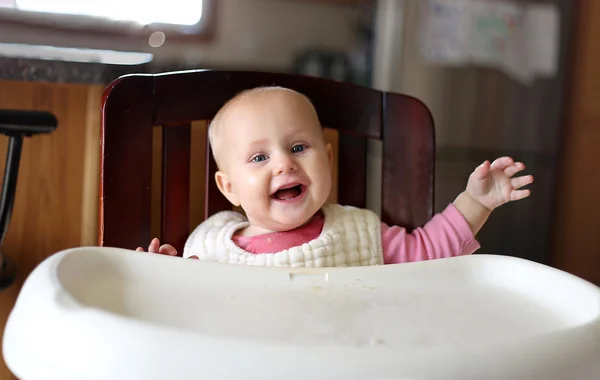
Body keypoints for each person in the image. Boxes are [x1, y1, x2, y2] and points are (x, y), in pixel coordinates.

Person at [137, 86, 533, 267]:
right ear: (229, 188)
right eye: (259, 156)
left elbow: (428, 251)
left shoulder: (360, 234)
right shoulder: (208, 250)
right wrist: (155, 276)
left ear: (327, 159)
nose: (284, 165)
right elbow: (181, 310)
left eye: (298, 148)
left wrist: (477, 201)